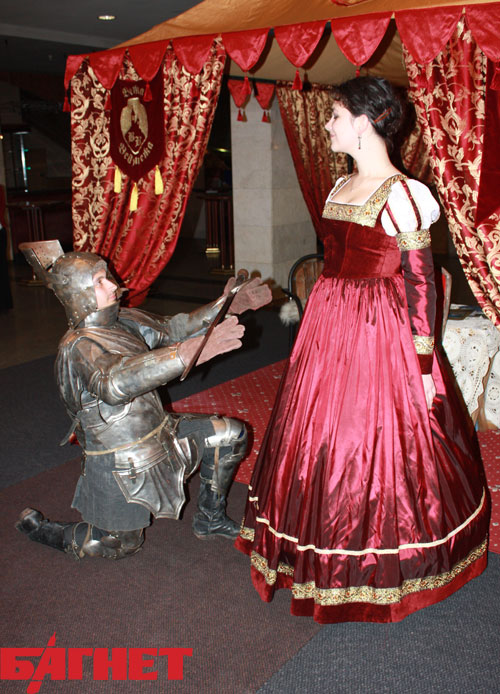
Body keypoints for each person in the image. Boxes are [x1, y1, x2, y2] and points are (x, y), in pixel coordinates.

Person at [235, 76, 490, 623]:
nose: (327, 125)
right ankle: (314, 547)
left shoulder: (404, 195)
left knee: (379, 437)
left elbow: (421, 283)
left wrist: (423, 364)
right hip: (329, 323)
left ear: (364, 121)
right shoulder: (338, 187)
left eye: (334, 116)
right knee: (316, 431)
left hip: (380, 330)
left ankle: (388, 560)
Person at [16, 240, 271, 559]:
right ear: (78, 294)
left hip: (160, 432)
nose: (113, 285)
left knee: (230, 435)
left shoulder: (123, 320)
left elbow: (173, 328)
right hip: (119, 459)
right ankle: (43, 530)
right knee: (115, 544)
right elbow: (114, 382)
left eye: (107, 276)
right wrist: (188, 353)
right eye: (99, 282)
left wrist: (226, 305)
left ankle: (210, 519)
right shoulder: (78, 347)